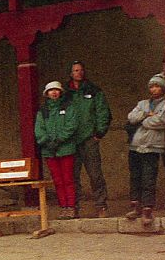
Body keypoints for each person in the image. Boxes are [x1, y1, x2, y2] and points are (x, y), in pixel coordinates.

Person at [66, 60, 112, 217]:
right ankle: (74, 207)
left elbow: (103, 112)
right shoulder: (65, 93)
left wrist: (99, 133)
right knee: (72, 176)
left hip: (89, 139)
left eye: (81, 70)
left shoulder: (94, 91)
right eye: (75, 70)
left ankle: (101, 205)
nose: (79, 73)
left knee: (95, 174)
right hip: (71, 141)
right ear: (71, 73)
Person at [125, 73, 165, 226]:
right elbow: (131, 117)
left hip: (152, 146)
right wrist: (145, 114)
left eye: (157, 86)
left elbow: (161, 121)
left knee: (148, 178)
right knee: (135, 177)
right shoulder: (143, 103)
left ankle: (147, 209)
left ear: (163, 88)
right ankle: (135, 207)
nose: (154, 89)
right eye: (152, 86)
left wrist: (143, 120)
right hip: (136, 145)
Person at [35, 81, 80, 219]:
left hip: (66, 149)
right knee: (57, 181)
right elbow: (39, 129)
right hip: (50, 151)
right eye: (51, 90)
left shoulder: (68, 107)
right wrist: (47, 142)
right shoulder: (43, 111)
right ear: (47, 94)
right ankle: (63, 207)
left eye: (56, 90)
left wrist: (60, 139)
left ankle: (71, 207)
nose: (54, 92)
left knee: (68, 179)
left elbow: (71, 125)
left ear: (60, 92)